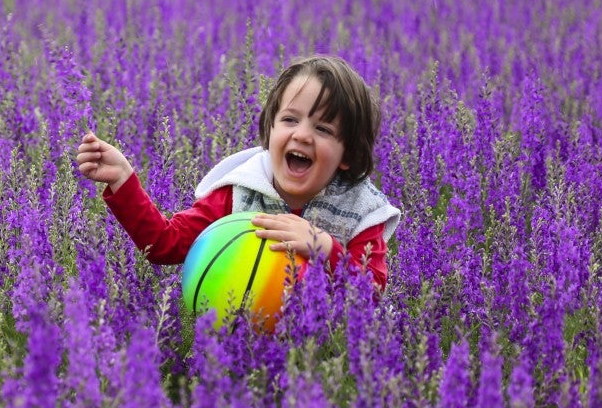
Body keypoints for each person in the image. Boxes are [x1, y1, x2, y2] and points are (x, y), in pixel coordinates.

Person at [76, 55, 401, 289]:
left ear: (348, 155)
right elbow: (164, 243)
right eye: (290, 119)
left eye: (323, 129)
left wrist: (325, 248)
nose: (302, 135)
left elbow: (371, 293)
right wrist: (122, 180)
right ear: (270, 130)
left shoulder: (360, 211)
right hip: (237, 340)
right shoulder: (239, 193)